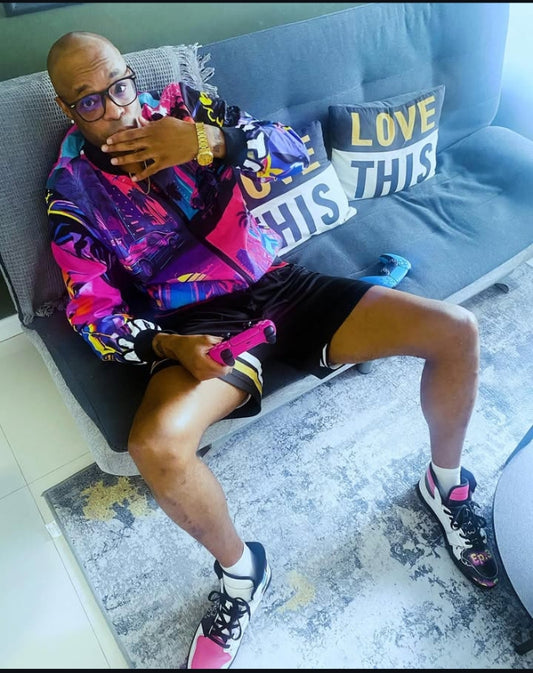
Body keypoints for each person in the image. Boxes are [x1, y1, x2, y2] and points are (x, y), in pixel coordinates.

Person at [45, 31, 499, 669]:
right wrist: (167, 343)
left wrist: (209, 141)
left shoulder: (182, 105)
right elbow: (92, 314)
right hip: (199, 321)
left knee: (457, 330)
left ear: (131, 77)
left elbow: (290, 154)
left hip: (279, 281)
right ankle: (240, 572)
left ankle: (445, 485)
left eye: (120, 86)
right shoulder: (70, 191)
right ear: (68, 109)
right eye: (91, 102)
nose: (116, 109)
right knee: (157, 447)